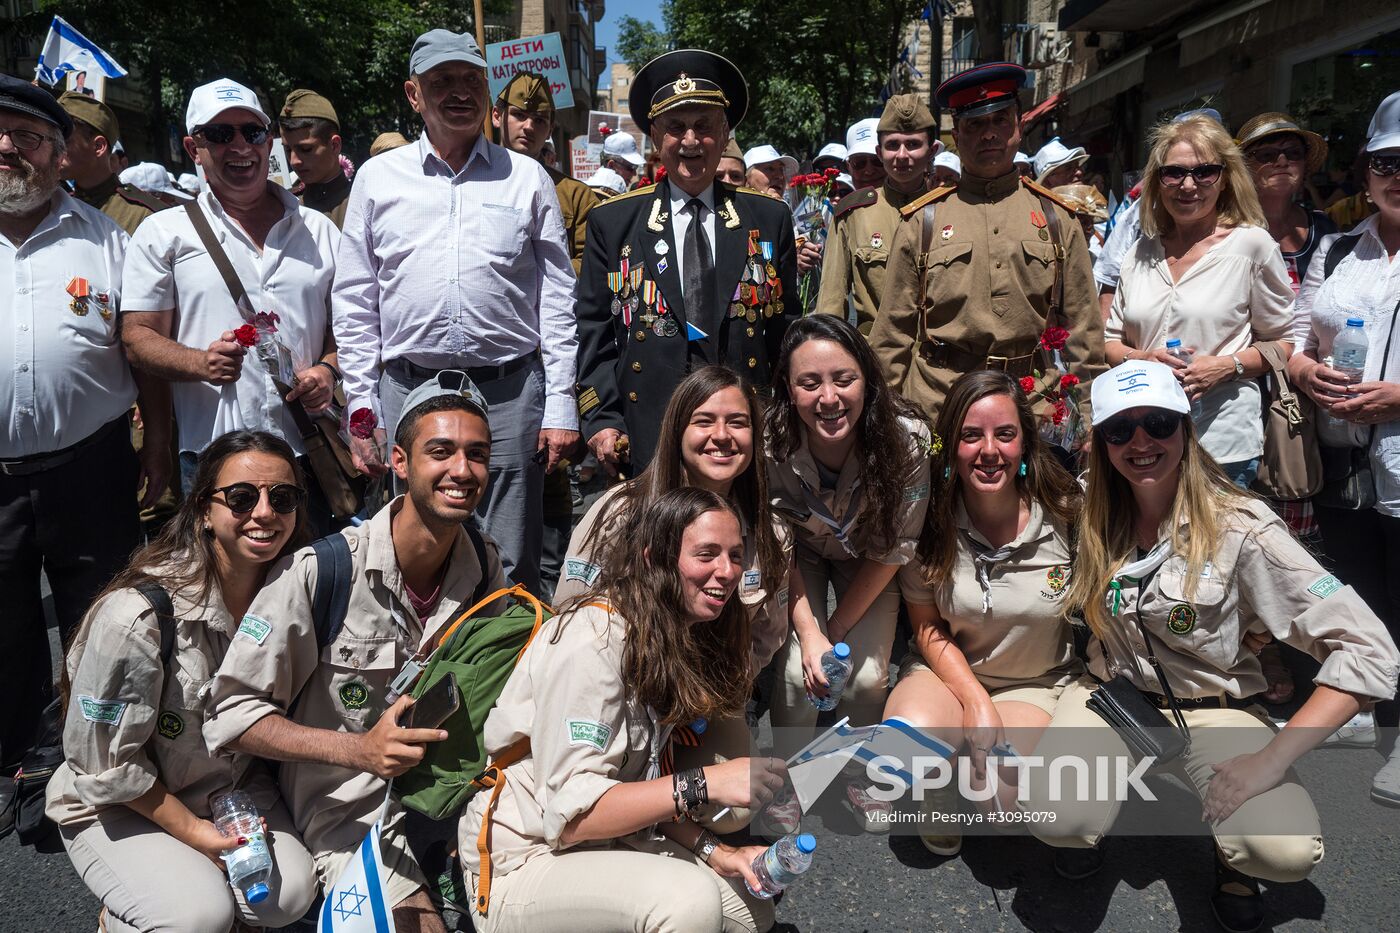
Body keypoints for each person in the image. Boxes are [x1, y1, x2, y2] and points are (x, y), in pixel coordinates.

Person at [1033, 359, 1399, 933]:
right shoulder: (1085, 511)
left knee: (1282, 853)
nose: (1141, 441)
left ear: (1185, 427)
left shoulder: (1242, 528)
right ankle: (1100, 812)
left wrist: (1269, 761)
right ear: (1100, 444)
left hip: (1212, 708)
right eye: (1119, 430)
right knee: (1056, 813)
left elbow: (1370, 649)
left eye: (1157, 422)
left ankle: (1230, 854)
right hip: (1113, 698)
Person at [206, 374, 510, 933]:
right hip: (351, 814)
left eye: (477, 454)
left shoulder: (485, 567)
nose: (462, 471)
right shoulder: (325, 572)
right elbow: (231, 715)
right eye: (439, 451)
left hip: (452, 800)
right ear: (399, 460)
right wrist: (359, 751)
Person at [460, 487, 783, 932]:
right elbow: (574, 819)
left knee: (751, 915)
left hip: (603, 843)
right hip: (525, 859)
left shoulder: (669, 634)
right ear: (654, 559)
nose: (726, 571)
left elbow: (636, 788)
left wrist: (717, 852)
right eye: (706, 554)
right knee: (687, 903)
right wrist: (705, 783)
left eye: (735, 555)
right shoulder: (592, 640)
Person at [334, 29, 578, 595]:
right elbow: (354, 299)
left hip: (510, 395)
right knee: (414, 552)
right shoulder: (377, 179)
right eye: (442, 82)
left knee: (510, 559)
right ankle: (419, 674)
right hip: (408, 392)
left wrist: (560, 403)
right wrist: (362, 407)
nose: (460, 93)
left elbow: (558, 298)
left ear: (488, 93)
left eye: (471, 80)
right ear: (413, 94)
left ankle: (504, 672)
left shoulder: (527, 178)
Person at [47, 431, 318, 933]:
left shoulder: (293, 594)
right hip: (120, 799)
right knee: (197, 917)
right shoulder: (136, 616)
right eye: (240, 497)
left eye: (282, 498)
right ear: (202, 512)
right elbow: (103, 763)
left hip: (227, 788)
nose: (264, 513)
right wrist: (195, 834)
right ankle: (127, 917)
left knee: (287, 899)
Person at [0, 75, 171, 771]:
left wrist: (157, 440)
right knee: (6, 628)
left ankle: (91, 757)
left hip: (93, 467)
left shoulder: (108, 239)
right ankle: (19, 758)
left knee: (99, 620)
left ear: (62, 154)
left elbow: (143, 354)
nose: (9, 148)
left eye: (30, 137)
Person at [555, 366, 789, 829]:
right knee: (594, 796)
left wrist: (708, 693)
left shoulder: (771, 531)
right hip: (618, 691)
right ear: (677, 430)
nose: (721, 436)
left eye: (737, 423)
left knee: (732, 811)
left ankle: (668, 810)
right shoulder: (619, 511)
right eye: (704, 421)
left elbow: (765, 636)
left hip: (702, 697)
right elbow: (569, 611)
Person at [120, 78, 342, 530]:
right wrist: (199, 362)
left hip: (307, 452)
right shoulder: (164, 233)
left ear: (269, 141)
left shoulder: (320, 231)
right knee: (222, 594)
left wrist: (327, 371)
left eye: (252, 132)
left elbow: (349, 330)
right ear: (193, 147)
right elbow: (137, 337)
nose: (239, 145)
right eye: (220, 135)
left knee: (314, 590)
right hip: (212, 458)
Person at [885, 371, 1087, 863]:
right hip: (948, 671)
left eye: (1005, 434)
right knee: (903, 749)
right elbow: (927, 625)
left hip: (1035, 681)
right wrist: (975, 701)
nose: (989, 450)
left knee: (998, 801)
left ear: (1025, 444)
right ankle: (939, 777)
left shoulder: (1068, 513)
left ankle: (968, 769)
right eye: (971, 436)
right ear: (950, 447)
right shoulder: (929, 519)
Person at [575, 48, 798, 475]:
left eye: (704, 126)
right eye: (676, 127)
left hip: (742, 431)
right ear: (656, 138)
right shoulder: (614, 221)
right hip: (647, 431)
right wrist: (601, 419)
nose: (691, 141)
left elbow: (784, 330)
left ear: (726, 131)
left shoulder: (768, 219)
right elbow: (594, 332)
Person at [765, 316, 932, 828]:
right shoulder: (770, 442)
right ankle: (791, 777)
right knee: (798, 674)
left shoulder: (908, 442)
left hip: (870, 555)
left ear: (869, 380)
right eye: (809, 383)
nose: (829, 398)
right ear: (789, 391)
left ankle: (858, 771)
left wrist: (834, 633)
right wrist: (812, 634)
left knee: (864, 680)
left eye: (844, 378)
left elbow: (893, 549)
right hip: (803, 555)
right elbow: (779, 545)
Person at [871, 62, 1106, 423]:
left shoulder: (1058, 219)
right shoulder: (923, 220)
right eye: (976, 124)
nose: (989, 134)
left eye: (1000, 120)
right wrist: (888, 423)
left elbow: (1084, 335)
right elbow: (891, 337)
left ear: (1020, 125)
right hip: (940, 405)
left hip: (1033, 407)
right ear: (957, 135)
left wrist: (1090, 420)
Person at [1287, 90, 1400, 808]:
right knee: (1365, 592)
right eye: (1387, 162)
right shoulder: (1337, 250)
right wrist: (1309, 372)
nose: (1398, 175)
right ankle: (1366, 702)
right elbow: (1299, 339)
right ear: (1366, 174)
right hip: (1343, 460)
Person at [1104, 112, 1295, 488]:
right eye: (1173, 173)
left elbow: (1283, 343)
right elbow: (1110, 344)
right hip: (1146, 440)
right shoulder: (1140, 252)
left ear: (1225, 179)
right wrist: (1142, 358)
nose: (1188, 185)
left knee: (1215, 547)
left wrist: (1227, 366)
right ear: (1157, 183)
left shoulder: (1251, 246)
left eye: (1205, 171)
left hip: (1221, 441)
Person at [815, 93, 936, 335]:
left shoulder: (951, 208)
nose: (902, 155)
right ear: (880, 152)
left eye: (912, 144)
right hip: (876, 356)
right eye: (892, 145)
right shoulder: (854, 214)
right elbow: (831, 302)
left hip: (939, 362)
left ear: (931, 151)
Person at [492, 71, 598, 271]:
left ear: (550, 130)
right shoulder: (470, 180)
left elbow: (591, 260)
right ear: (497, 116)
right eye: (519, 115)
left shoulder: (576, 196)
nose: (529, 126)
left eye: (539, 120)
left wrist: (535, 280)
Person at [1237, 112, 1337, 290]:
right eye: (1267, 154)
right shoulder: (1224, 231)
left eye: (1293, 153)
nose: (1282, 162)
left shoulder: (1324, 229)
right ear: (1244, 166)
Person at [58, 91, 172, 235]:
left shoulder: (146, 216)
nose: (55, 149)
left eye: (64, 141)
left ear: (99, 147)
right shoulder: (55, 208)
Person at [279, 89, 352, 228]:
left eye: (306, 149)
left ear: (335, 145)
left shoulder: (361, 204)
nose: (294, 161)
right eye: (288, 150)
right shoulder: (283, 208)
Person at [845, 118, 885, 190]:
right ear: (848, 167)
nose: (869, 171)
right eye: (859, 163)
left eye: (878, 160)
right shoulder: (844, 201)